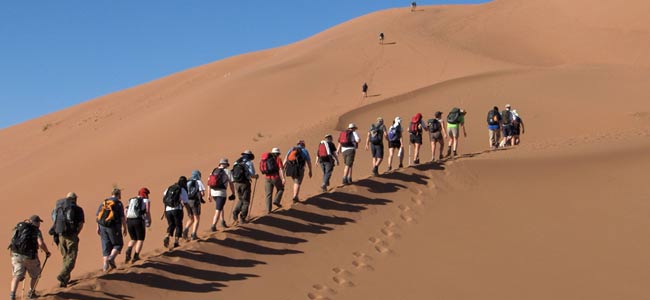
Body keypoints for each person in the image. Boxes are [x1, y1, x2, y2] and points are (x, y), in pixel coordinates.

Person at [9, 215, 51, 300]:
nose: (39, 224)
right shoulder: (36, 231)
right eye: (38, 222)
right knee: (35, 275)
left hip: (16, 255)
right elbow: (40, 243)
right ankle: (31, 293)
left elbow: (13, 241)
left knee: (16, 276)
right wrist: (47, 252)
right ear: (35, 222)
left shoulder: (19, 227)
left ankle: (12, 295)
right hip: (30, 257)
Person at [49, 192, 84, 288]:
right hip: (71, 235)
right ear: (74, 199)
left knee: (66, 258)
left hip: (60, 235)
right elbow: (81, 224)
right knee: (71, 258)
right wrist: (76, 233)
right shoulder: (77, 209)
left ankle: (64, 281)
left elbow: (54, 219)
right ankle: (63, 275)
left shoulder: (58, 208)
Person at [96, 188, 127, 272]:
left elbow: (98, 215)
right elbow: (122, 217)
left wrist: (98, 227)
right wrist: (125, 227)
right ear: (118, 194)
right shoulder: (118, 203)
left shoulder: (104, 202)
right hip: (113, 227)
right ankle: (111, 258)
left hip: (102, 226)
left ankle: (105, 267)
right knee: (118, 244)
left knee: (106, 246)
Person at [124, 187, 151, 264]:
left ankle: (129, 249)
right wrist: (148, 221)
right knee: (140, 239)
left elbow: (125, 210)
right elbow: (147, 211)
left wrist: (127, 219)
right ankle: (136, 256)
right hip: (138, 220)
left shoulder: (132, 200)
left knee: (133, 238)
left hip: (129, 220)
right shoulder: (145, 201)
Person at [208, 159, 237, 232]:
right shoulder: (228, 171)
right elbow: (231, 183)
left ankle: (222, 222)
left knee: (220, 207)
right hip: (221, 194)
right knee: (218, 210)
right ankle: (213, 225)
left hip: (213, 193)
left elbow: (209, 183)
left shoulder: (214, 170)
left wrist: (209, 195)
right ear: (226, 164)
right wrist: (233, 193)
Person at [232, 150, 258, 224]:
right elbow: (252, 174)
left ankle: (235, 212)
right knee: (246, 201)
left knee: (240, 199)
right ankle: (242, 218)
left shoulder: (236, 162)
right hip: (245, 184)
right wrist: (256, 176)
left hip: (236, 184)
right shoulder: (249, 163)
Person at [163, 177, 189, 249]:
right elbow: (186, 202)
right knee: (178, 225)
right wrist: (189, 212)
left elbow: (165, 198)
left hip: (168, 210)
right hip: (177, 209)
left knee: (171, 224)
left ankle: (167, 236)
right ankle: (176, 242)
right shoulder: (182, 189)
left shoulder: (170, 188)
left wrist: (165, 210)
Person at [183, 170, 205, 241]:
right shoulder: (198, 182)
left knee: (190, 218)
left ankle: (185, 229)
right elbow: (202, 193)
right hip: (195, 202)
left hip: (187, 202)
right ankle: (193, 234)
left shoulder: (187, 181)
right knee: (197, 219)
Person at [262, 148, 286, 212]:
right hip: (275, 177)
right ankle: (276, 201)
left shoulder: (266, 159)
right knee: (281, 189)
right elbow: (281, 169)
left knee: (268, 194)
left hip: (267, 178)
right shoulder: (278, 159)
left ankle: (268, 210)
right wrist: (283, 178)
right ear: (278, 153)